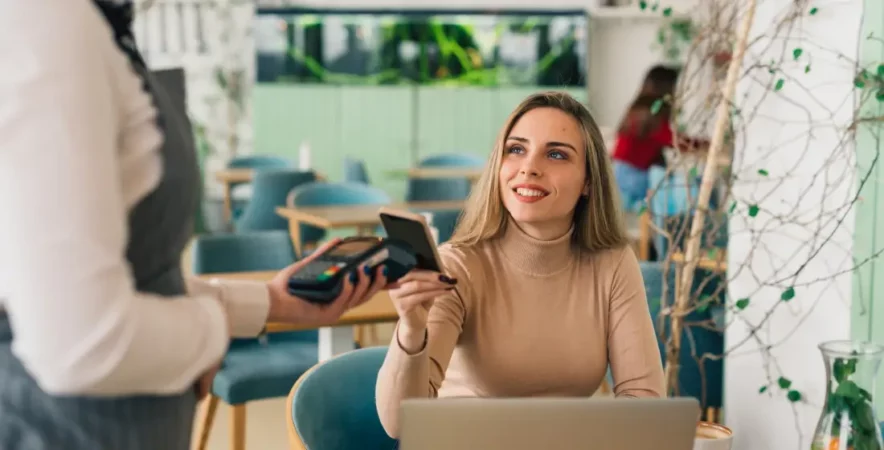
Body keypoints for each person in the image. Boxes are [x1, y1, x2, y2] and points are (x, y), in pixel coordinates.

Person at [0, 2, 386, 449]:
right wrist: (208, 334)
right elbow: (80, 342)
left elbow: (123, 283)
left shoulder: (86, 23)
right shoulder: (50, 22)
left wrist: (272, 302)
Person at [375, 91, 665, 440]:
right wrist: (410, 330)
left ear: (589, 181)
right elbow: (399, 424)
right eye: (516, 149)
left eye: (556, 154)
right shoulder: (459, 264)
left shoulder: (613, 263)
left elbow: (644, 402)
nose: (529, 167)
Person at [610, 65, 706, 212]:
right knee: (672, 198)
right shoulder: (651, 113)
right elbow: (674, 141)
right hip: (633, 174)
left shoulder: (639, 107)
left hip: (620, 170)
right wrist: (707, 144)